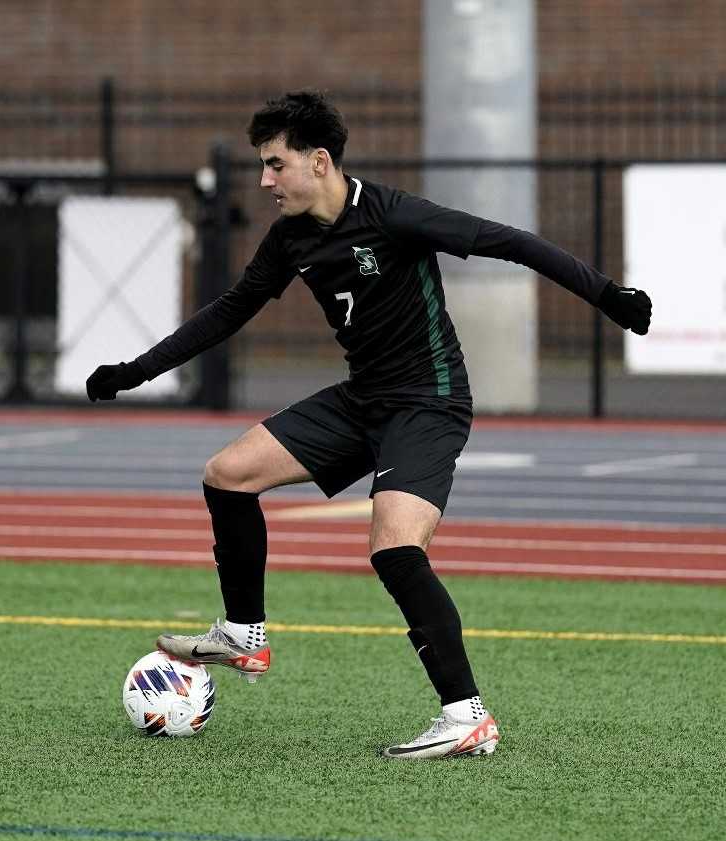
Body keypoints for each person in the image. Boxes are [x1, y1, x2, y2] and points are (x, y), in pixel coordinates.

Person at [86, 91, 651, 759]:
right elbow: (229, 312)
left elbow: (513, 242)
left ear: (318, 161)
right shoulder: (291, 236)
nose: (265, 180)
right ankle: (243, 631)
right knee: (228, 475)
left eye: (275, 164)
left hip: (429, 401)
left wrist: (609, 296)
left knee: (394, 549)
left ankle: (466, 717)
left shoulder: (394, 214)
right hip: (363, 399)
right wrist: (132, 372)